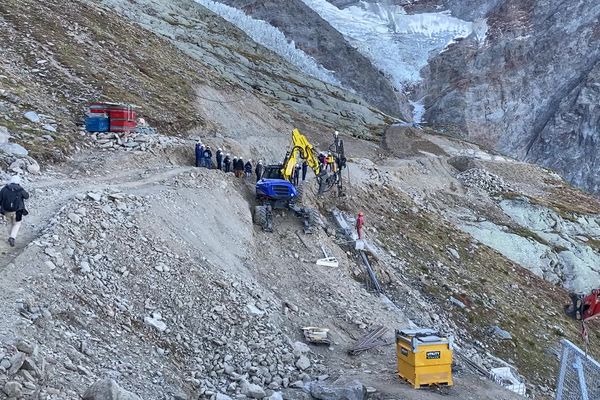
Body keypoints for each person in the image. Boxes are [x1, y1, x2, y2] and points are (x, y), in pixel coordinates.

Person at [0, 176, 29, 247]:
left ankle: (11, 236)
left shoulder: (4, 189)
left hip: (6, 210)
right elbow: (26, 196)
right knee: (17, 224)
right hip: (18, 211)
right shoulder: (20, 189)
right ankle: (12, 237)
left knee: (9, 223)